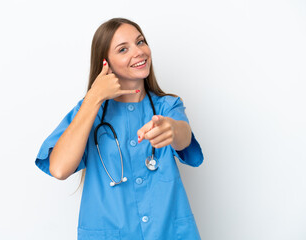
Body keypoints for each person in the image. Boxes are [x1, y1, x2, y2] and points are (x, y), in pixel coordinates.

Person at [35, 18, 204, 240]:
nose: (139, 52)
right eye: (123, 49)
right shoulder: (88, 113)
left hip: (169, 233)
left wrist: (171, 129)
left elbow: (183, 137)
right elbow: (59, 169)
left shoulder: (167, 106)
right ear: (106, 63)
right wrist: (94, 98)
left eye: (140, 42)